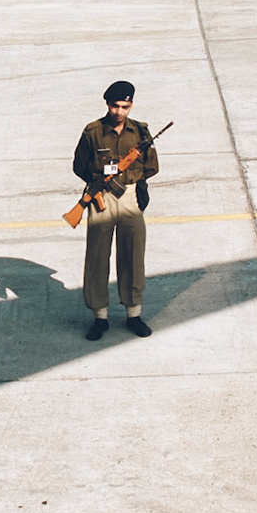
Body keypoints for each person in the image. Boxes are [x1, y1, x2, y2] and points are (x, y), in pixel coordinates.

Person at [72, 80, 159, 340]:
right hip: (102, 198)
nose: (119, 111)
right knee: (98, 257)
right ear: (107, 104)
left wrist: (136, 181)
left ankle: (134, 313)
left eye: (125, 106)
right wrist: (100, 181)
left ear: (131, 105)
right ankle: (100, 317)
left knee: (133, 255)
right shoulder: (93, 132)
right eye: (115, 106)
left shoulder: (141, 132)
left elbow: (152, 166)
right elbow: (79, 165)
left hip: (130, 197)